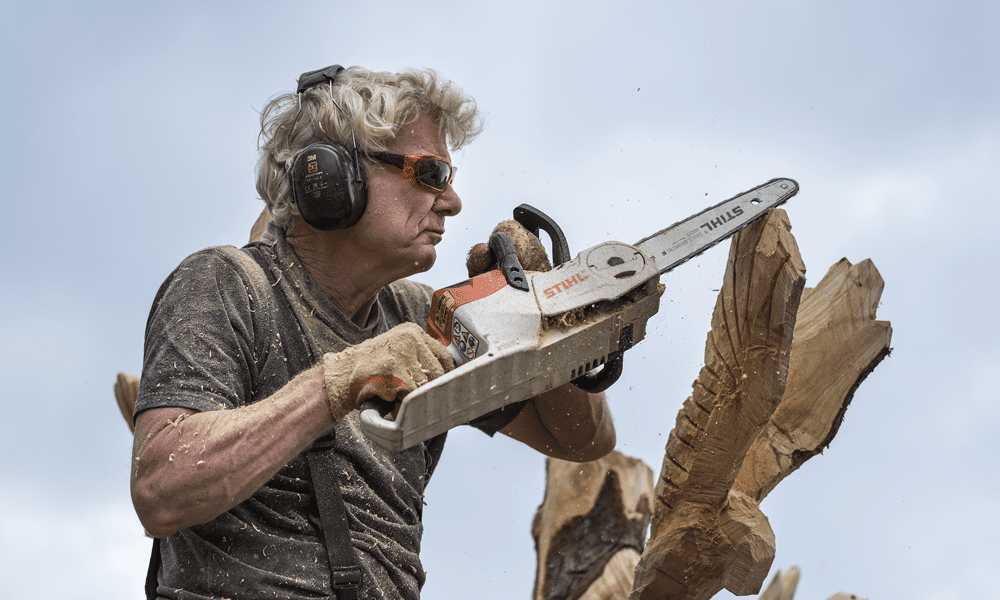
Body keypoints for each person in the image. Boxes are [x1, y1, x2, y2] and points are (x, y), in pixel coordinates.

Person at [130, 64, 615, 600]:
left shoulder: (415, 316)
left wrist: (544, 314)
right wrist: (341, 379)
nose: (453, 202)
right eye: (431, 174)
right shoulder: (228, 285)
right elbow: (161, 488)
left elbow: (581, 438)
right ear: (334, 177)